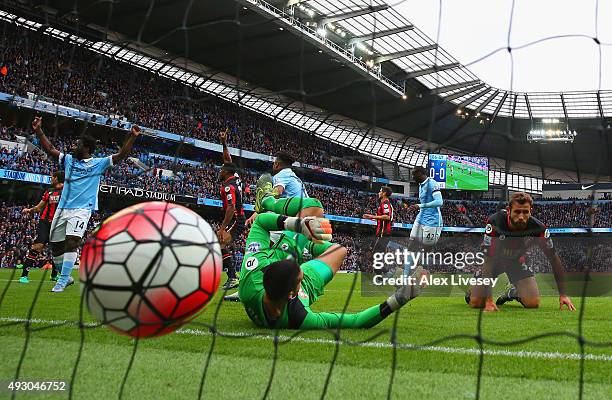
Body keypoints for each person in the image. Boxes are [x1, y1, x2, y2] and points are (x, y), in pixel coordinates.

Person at [238, 212, 426, 329]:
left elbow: (260, 222)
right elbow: (356, 321)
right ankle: (306, 243)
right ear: (292, 294)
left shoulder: (251, 277)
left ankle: (304, 239)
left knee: (311, 215)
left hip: (283, 258)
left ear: (267, 271)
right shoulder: (300, 317)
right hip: (311, 285)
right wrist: (402, 297)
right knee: (339, 249)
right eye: (299, 275)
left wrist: (296, 224)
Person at [32, 116, 140, 292]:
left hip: (82, 210)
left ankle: (62, 280)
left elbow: (121, 155)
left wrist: (132, 137)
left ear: (87, 148)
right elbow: (50, 149)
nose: (74, 146)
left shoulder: (98, 163)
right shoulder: (68, 160)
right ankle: (63, 275)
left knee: (72, 241)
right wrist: (38, 131)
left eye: (78, 144)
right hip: (62, 209)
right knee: (55, 245)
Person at [467, 192, 576, 311]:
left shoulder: (539, 229)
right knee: (476, 302)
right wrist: (489, 300)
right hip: (494, 263)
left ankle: (511, 292)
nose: (521, 216)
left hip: (515, 262)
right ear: (508, 210)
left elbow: (554, 259)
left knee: (533, 303)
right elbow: (488, 261)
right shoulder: (495, 222)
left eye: (525, 212)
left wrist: (563, 295)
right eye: (517, 212)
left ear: (531, 211)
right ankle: (473, 288)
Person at [247, 151, 324, 227]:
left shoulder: (282, 174)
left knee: (262, 224)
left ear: (277, 164)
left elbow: (277, 193)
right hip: (311, 210)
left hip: (302, 211)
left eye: (274, 163)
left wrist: (262, 201)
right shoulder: (292, 175)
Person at [19, 171, 64, 283]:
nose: (51, 179)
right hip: (45, 223)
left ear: (57, 179)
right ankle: (24, 276)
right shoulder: (49, 192)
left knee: (57, 250)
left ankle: (54, 275)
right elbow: (39, 208)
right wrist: (29, 210)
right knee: (37, 247)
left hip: (58, 224)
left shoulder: (68, 191)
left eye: (52, 177)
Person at [218, 128, 245, 290]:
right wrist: (223, 143)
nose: (220, 171)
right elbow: (228, 160)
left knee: (220, 242)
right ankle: (234, 275)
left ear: (226, 172)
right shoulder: (234, 177)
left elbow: (231, 207)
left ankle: (232, 277)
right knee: (221, 244)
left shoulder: (228, 187)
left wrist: (222, 227)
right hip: (237, 218)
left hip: (236, 218)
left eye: (222, 169)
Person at [362, 186, 395, 269]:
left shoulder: (385, 204)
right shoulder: (383, 204)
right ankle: (384, 273)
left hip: (383, 233)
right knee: (376, 255)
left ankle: (382, 275)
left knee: (376, 255)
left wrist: (372, 216)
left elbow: (387, 217)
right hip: (381, 233)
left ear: (384, 193)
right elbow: (383, 219)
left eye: (380, 191)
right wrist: (372, 218)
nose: (378, 193)